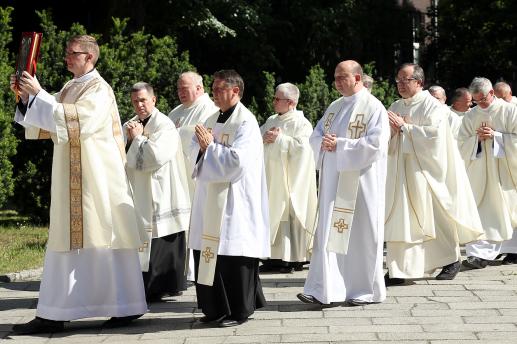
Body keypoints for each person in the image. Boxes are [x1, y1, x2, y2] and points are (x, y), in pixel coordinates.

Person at [10, 35, 147, 334]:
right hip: (73, 176)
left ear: (90, 57)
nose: (67, 58)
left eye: (73, 53)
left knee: (105, 237)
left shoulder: (98, 89)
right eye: (67, 53)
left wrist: (40, 95)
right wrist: (27, 98)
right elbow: (48, 124)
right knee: (67, 238)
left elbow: (78, 122)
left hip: (97, 178)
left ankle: (123, 305)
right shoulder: (72, 87)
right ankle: (56, 310)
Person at [297, 60, 389, 306]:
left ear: (358, 78)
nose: (337, 82)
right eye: (335, 77)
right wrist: (324, 143)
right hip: (333, 184)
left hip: (361, 184)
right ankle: (325, 288)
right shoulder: (335, 107)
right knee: (329, 231)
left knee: (361, 234)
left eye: (342, 77)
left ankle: (364, 290)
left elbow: (376, 145)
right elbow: (316, 136)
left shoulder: (373, 107)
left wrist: (340, 145)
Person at [385, 63, 483, 285]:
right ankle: (399, 269)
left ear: (419, 82)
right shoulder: (396, 105)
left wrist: (405, 128)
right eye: (398, 80)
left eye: (405, 80)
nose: (400, 84)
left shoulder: (433, 106)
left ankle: (451, 260)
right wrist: (391, 131)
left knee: (435, 218)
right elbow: (388, 135)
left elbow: (435, 138)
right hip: (401, 171)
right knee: (402, 220)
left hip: (426, 173)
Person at [188, 70, 269, 327]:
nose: (214, 93)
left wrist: (210, 148)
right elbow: (193, 151)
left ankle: (239, 310)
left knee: (234, 253)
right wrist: (203, 149)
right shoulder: (211, 118)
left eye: (220, 88)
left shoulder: (246, 122)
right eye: (213, 88)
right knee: (209, 250)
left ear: (236, 91)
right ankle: (214, 308)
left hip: (235, 200)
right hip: (210, 197)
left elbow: (238, 161)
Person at [124, 82, 191, 302]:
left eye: (143, 100)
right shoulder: (131, 124)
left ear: (154, 100)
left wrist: (138, 139)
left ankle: (165, 285)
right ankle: (145, 286)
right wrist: (132, 138)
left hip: (163, 193)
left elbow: (155, 157)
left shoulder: (165, 125)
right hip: (140, 193)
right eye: (135, 101)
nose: (139, 105)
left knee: (163, 238)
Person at [458, 77, 517, 268]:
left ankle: (512, 249)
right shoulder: (470, 115)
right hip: (480, 172)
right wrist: (477, 140)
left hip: (505, 170)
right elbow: (460, 144)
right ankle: (478, 254)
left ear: (492, 93)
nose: (480, 103)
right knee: (482, 211)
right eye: (476, 100)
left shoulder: (510, 110)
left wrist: (496, 137)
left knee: (508, 210)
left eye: (483, 99)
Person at [260, 83, 317, 273]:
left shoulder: (302, 123)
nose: (274, 102)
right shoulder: (270, 120)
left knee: (289, 213)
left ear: (291, 102)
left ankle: (293, 257)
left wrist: (280, 140)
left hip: (290, 181)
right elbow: (256, 140)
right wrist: (263, 139)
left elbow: (305, 150)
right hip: (271, 178)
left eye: (278, 99)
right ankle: (272, 257)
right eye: (274, 98)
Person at [168, 71, 219, 196]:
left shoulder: (210, 108)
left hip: (195, 172)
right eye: (178, 89)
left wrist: (174, 133)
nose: (180, 92)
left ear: (199, 88)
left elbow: (201, 134)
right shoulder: (175, 112)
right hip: (175, 169)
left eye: (184, 88)